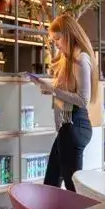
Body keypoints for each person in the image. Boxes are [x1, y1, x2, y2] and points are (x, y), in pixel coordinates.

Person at [32, 13, 98, 191]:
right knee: (52, 185)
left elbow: (82, 100)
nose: (56, 44)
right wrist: (49, 89)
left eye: (58, 39)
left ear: (69, 35)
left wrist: (53, 90)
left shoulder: (81, 59)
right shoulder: (68, 60)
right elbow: (65, 93)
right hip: (67, 126)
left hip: (74, 125)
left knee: (72, 189)